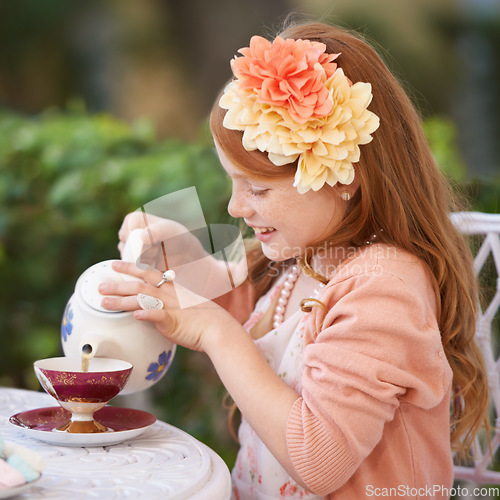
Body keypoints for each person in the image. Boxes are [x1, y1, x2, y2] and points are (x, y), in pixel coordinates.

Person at [99, 20, 489, 499]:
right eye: (233, 183)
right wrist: (184, 253)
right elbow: (255, 315)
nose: (235, 208)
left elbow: (318, 459)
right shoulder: (306, 253)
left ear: (343, 174)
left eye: (258, 188)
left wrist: (213, 332)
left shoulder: (383, 289)